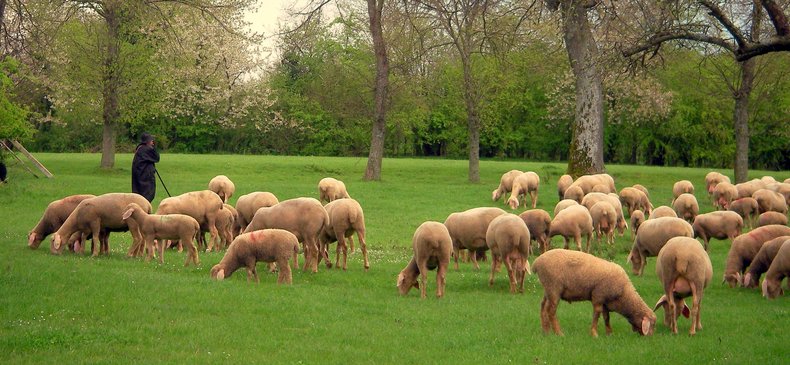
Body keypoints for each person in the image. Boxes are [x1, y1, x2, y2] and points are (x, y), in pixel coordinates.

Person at [131, 133, 160, 202]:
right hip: (145, 178)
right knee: (147, 195)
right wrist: (154, 147)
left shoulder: (140, 148)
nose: (152, 141)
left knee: (139, 195)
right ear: (147, 141)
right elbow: (157, 158)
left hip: (139, 176)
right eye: (151, 140)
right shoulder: (146, 149)